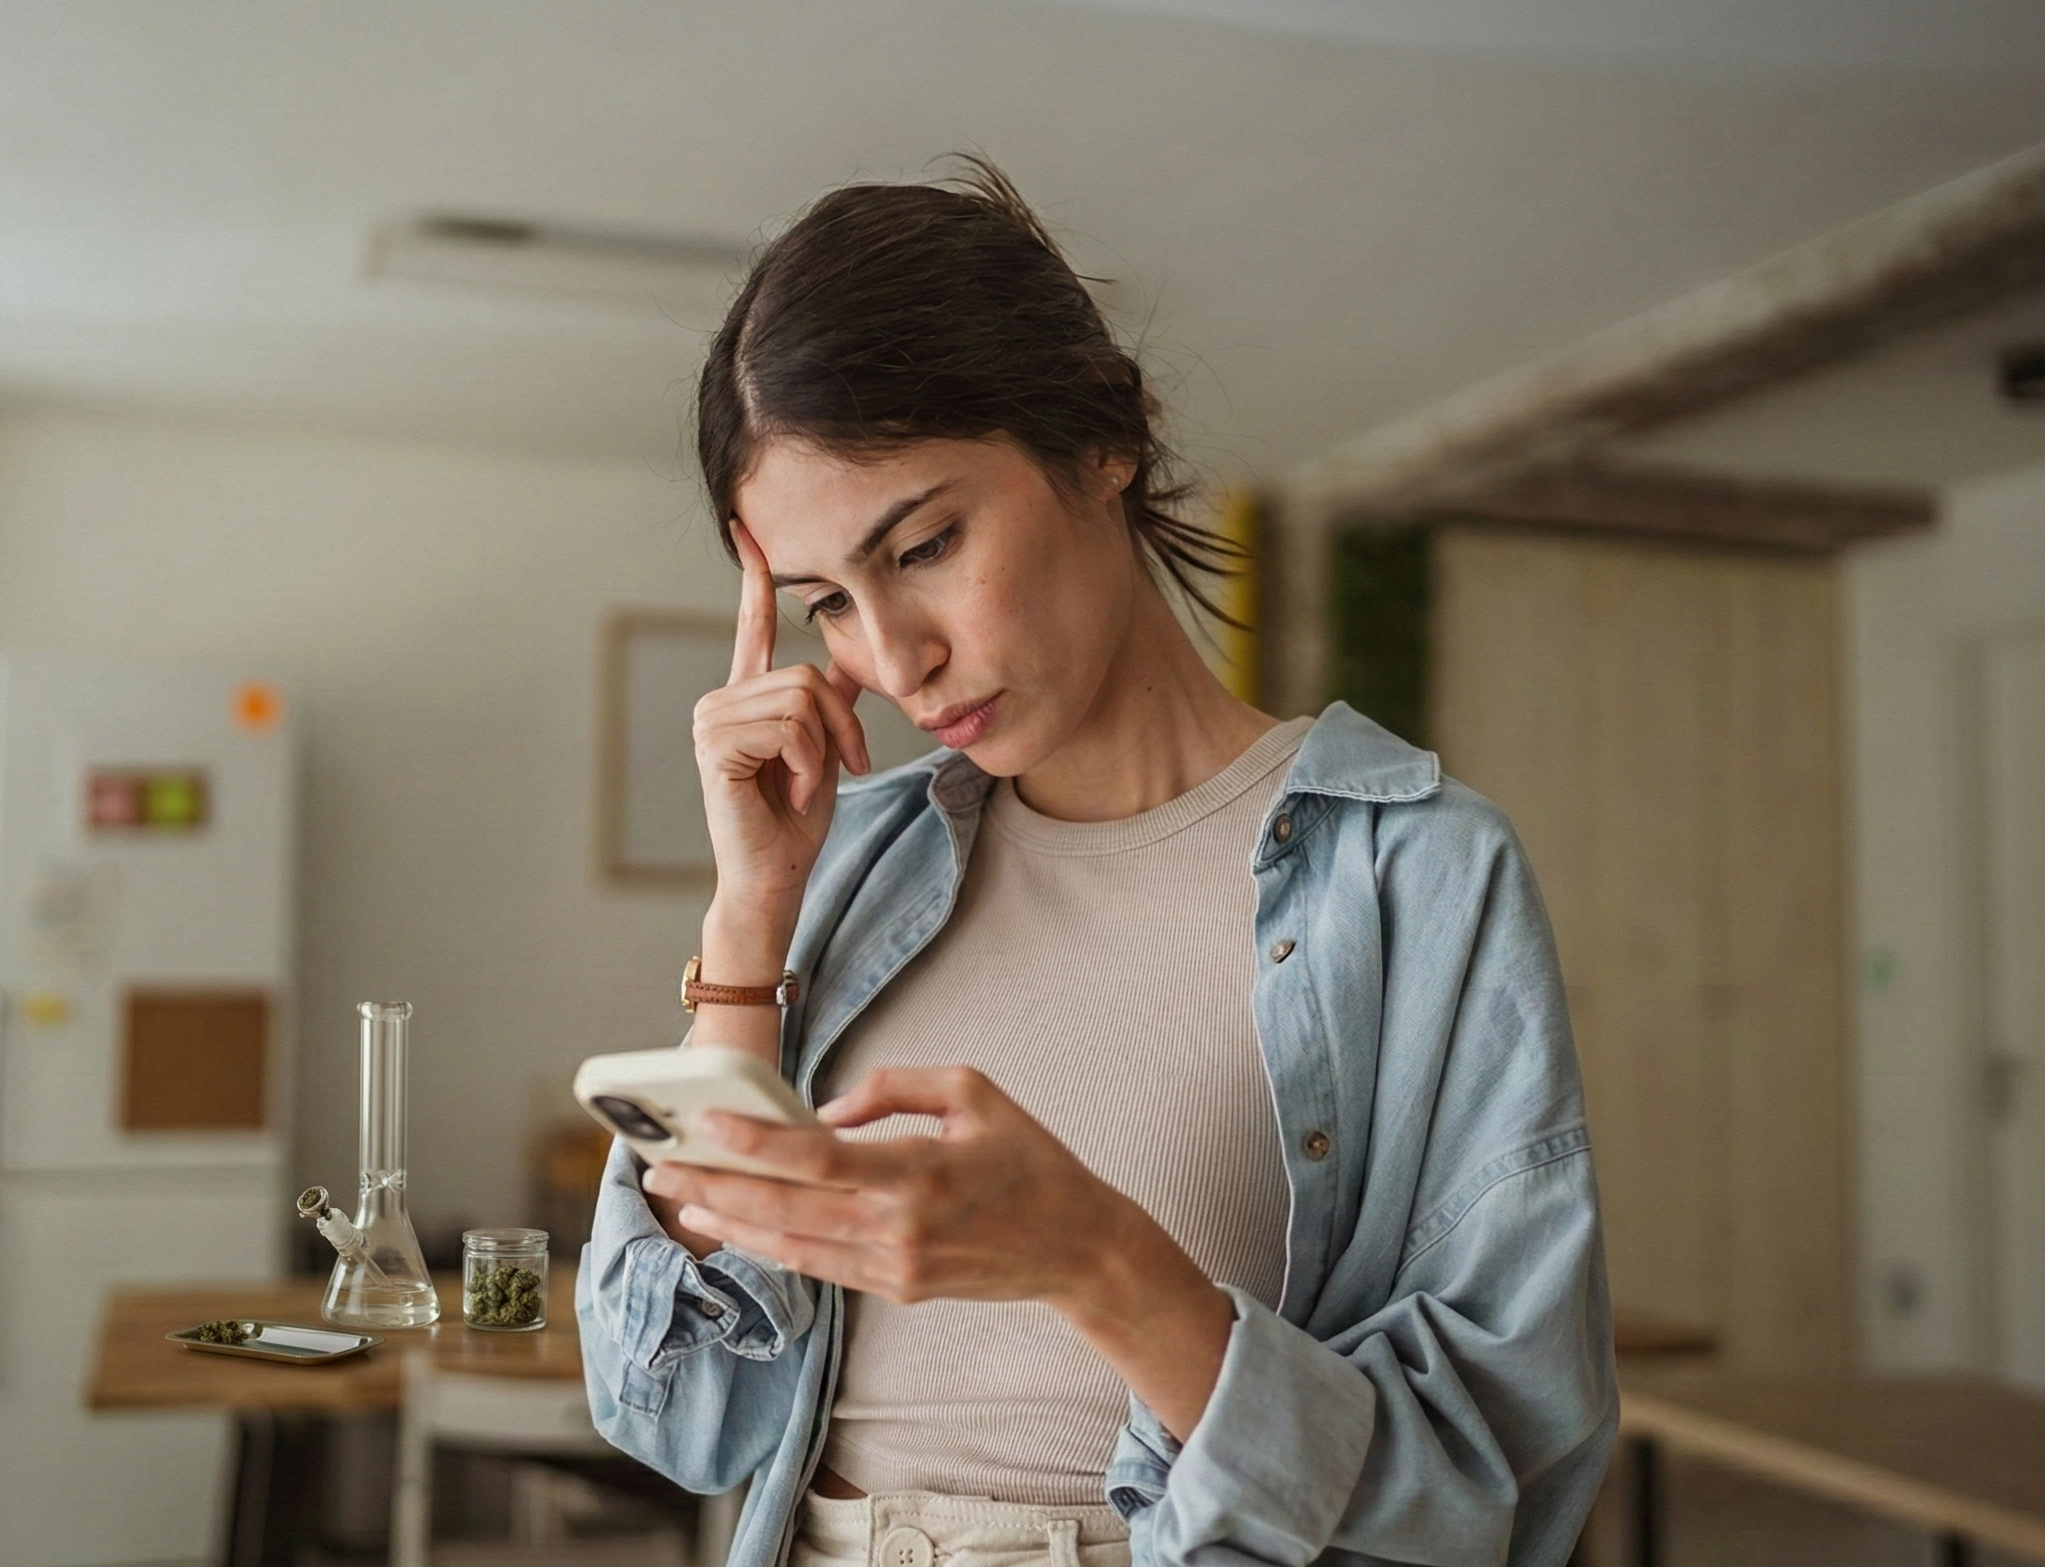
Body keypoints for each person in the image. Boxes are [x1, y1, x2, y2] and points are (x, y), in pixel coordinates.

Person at [575, 161, 1615, 1567]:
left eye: (924, 545)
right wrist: (751, 918)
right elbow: (677, 1412)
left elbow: (1499, 1486)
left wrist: (1098, 1262)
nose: (894, 659)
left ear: (1101, 436)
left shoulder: (1415, 876)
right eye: (828, 604)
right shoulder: (845, 870)